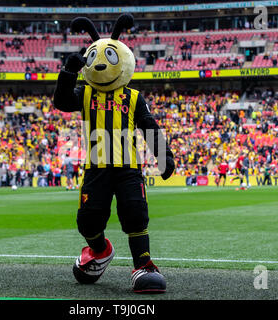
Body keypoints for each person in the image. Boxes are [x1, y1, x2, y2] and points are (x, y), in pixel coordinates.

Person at [53, 14, 175, 293]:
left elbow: (149, 127)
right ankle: (99, 249)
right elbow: (61, 101)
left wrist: (163, 155)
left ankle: (143, 265)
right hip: (96, 166)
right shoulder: (84, 93)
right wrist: (68, 73)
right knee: (88, 219)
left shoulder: (133, 97)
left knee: (135, 213)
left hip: (128, 167)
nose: (100, 64)